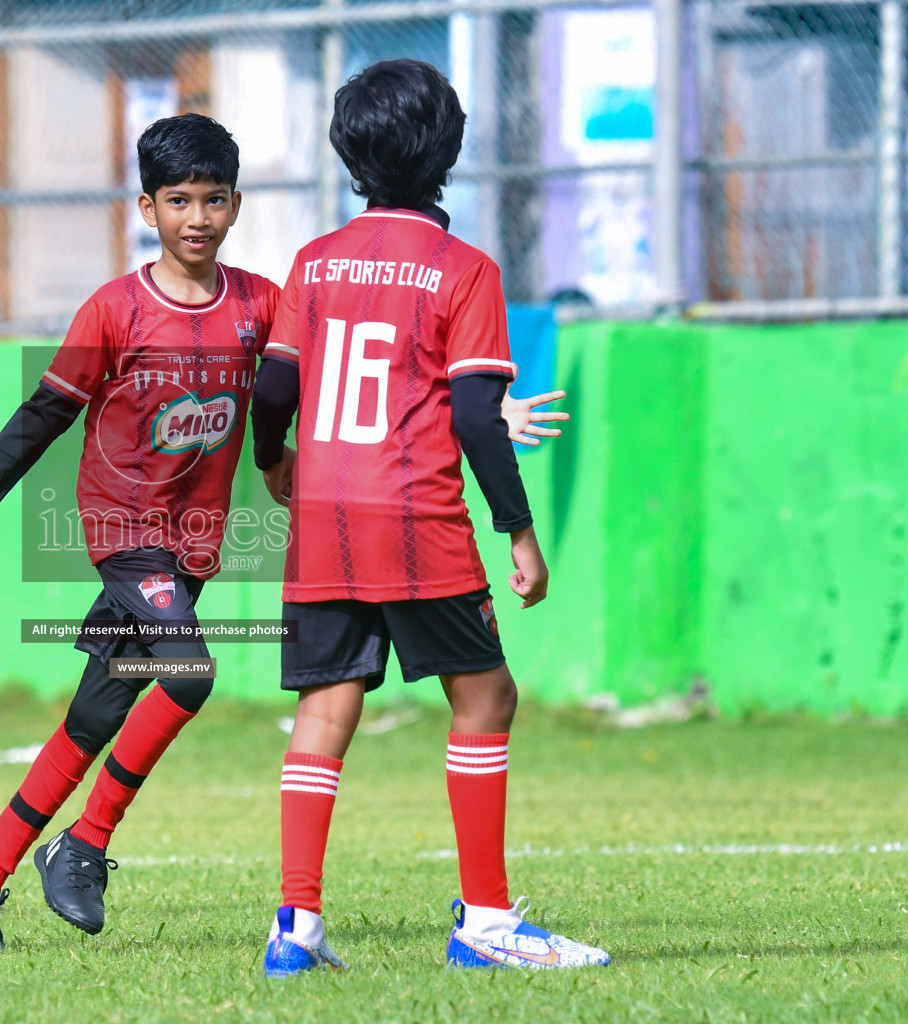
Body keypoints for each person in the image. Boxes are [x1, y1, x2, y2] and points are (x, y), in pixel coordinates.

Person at [0, 113, 563, 951]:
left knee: (95, 714)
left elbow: (356, 379)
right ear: (147, 206)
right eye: (178, 200)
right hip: (128, 533)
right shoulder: (114, 310)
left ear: (236, 204)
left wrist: (486, 408)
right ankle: (86, 844)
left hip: (192, 541)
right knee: (190, 673)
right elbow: (45, 414)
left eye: (212, 200)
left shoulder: (261, 303)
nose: (196, 218)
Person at [250, 58, 605, 974]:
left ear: (348, 151)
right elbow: (480, 416)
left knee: (327, 706)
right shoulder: (463, 269)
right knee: (486, 697)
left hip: (324, 513)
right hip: (415, 517)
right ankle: (486, 922)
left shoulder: (315, 262)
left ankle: (295, 926)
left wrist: (273, 459)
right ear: (450, 147)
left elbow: (276, 383)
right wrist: (519, 530)